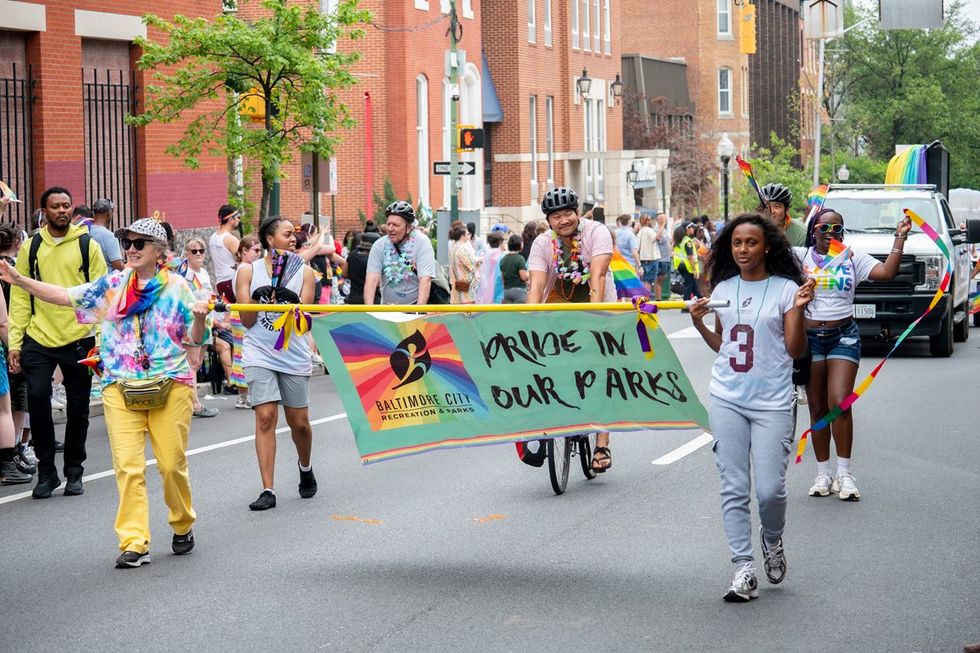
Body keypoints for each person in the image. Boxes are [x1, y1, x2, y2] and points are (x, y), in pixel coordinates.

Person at [0, 218, 210, 567]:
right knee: (127, 467)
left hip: (170, 384)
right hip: (119, 386)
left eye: (139, 243)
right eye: (126, 242)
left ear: (159, 252)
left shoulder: (178, 288)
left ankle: (182, 522)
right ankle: (134, 541)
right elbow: (66, 296)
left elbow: (197, 338)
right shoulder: (113, 285)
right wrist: (20, 280)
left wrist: (201, 317)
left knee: (171, 464)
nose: (130, 248)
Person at [689, 213, 815, 602]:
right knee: (733, 486)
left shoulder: (785, 290)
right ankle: (743, 569)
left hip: (772, 403)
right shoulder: (723, 288)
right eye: (737, 243)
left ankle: (772, 539)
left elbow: (796, 351)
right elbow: (725, 346)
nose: (743, 250)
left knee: (770, 491)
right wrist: (699, 325)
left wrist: (797, 308)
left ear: (768, 247)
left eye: (751, 243)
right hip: (727, 397)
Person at [794, 208, 911, 500]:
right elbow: (768, 246)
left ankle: (845, 474)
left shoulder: (852, 258)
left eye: (837, 229)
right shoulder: (800, 257)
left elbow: (887, 272)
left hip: (843, 336)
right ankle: (823, 473)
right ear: (813, 231)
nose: (830, 234)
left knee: (840, 403)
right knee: (818, 408)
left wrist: (899, 238)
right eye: (824, 228)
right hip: (810, 338)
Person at [8, 186, 108, 498]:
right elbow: (22, 295)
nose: (62, 210)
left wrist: (101, 342)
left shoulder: (87, 245)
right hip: (38, 336)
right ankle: (47, 473)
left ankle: (74, 470)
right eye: (55, 206)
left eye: (66, 205)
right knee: (37, 401)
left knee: (78, 408)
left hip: (79, 337)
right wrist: (15, 342)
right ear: (44, 212)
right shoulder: (32, 247)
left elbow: (102, 294)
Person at [527, 187, 615, 473]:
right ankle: (543, 429)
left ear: (577, 213)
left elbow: (598, 276)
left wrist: (593, 317)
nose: (563, 220)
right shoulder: (542, 243)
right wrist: (527, 320)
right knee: (543, 364)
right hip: (558, 309)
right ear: (549, 221)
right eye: (556, 216)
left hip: (597, 304)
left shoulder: (596, 232)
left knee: (601, 370)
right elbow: (537, 285)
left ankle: (602, 442)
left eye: (567, 213)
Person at [236, 216, 318, 511]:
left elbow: (303, 326)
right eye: (287, 234)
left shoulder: (305, 273)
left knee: (300, 424)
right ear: (270, 240)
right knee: (266, 416)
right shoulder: (248, 271)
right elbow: (246, 321)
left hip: (293, 354)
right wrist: (258, 301)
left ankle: (305, 467)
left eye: (295, 234)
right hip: (259, 352)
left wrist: (290, 301)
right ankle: (267, 489)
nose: (294, 238)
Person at [0, 223, 34, 478]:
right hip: (9, 341)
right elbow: (6, 319)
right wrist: (16, 347)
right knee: (12, 404)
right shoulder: (10, 271)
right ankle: (12, 456)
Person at [363, 201, 437, 306]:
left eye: (396, 225)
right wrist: (369, 311)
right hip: (388, 309)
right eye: (388, 224)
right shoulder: (379, 244)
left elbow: (425, 279)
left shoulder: (422, 242)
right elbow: (372, 279)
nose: (390, 229)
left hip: (413, 309)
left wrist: (418, 311)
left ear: (409, 228)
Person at [181, 239, 219, 418]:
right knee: (192, 363)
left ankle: (192, 401)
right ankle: (194, 403)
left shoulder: (203, 272)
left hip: (207, 320)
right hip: (190, 320)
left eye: (201, 251)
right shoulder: (184, 273)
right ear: (187, 253)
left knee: (198, 362)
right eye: (193, 251)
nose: (198, 254)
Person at [229, 235, 262, 409]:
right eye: (255, 250)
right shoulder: (244, 269)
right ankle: (243, 395)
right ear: (243, 251)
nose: (258, 254)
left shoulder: (247, 268)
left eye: (259, 250)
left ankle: (246, 394)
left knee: (244, 351)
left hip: (243, 312)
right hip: (241, 312)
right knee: (242, 353)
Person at [210, 205, 241, 302]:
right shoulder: (231, 239)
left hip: (220, 283)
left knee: (228, 313)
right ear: (231, 219)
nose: (239, 220)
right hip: (231, 281)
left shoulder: (213, 237)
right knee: (236, 315)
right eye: (238, 217)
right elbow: (244, 260)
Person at [448, 222, 480, 304]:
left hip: (458, 282)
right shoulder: (463, 248)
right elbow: (471, 265)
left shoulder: (453, 246)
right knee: (468, 311)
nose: (469, 235)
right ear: (463, 235)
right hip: (466, 285)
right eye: (467, 233)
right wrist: (480, 260)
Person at [345, 232, 380, 304]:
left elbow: (344, 273)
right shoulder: (373, 260)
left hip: (353, 299)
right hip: (372, 300)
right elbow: (378, 282)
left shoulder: (352, 254)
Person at [90, 199, 124, 271]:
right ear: (109, 214)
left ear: (94, 213)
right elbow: (118, 266)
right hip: (106, 280)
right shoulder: (110, 236)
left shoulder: (85, 231)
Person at [672, 221, 700, 300]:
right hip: (687, 266)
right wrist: (695, 270)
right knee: (689, 286)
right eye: (692, 228)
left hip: (680, 265)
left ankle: (700, 299)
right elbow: (690, 257)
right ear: (687, 229)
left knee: (693, 285)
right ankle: (686, 305)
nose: (693, 230)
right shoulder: (687, 241)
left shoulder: (680, 240)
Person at [500, 234, 529, 304]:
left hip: (507, 291)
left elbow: (502, 278)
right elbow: (523, 277)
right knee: (520, 313)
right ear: (519, 244)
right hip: (519, 290)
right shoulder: (520, 259)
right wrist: (529, 274)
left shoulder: (503, 259)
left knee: (510, 313)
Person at [637, 215, 661, 294]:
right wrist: (663, 224)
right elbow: (657, 237)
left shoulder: (641, 231)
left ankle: (644, 297)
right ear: (646, 221)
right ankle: (646, 299)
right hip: (651, 258)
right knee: (649, 281)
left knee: (644, 280)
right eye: (650, 219)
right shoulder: (649, 230)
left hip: (643, 258)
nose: (651, 221)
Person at [654, 213, 672, 300]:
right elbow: (657, 238)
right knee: (659, 279)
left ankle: (660, 297)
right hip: (661, 259)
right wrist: (663, 224)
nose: (665, 221)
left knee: (663, 278)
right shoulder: (657, 229)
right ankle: (658, 299)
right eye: (662, 219)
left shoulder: (665, 230)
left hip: (667, 258)